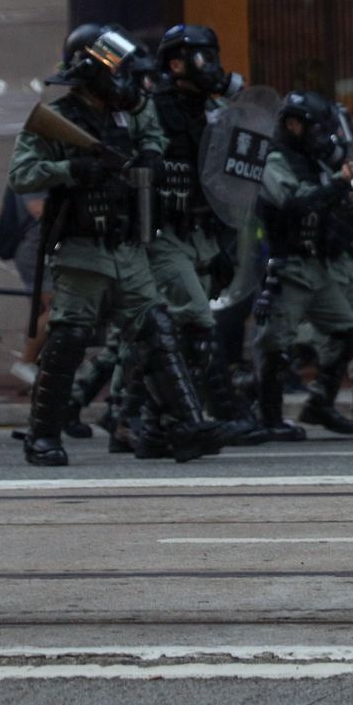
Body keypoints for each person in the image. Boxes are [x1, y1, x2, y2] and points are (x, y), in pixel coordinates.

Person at [11, 25, 218, 466]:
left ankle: (185, 425)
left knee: (156, 328)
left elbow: (154, 139)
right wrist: (72, 169)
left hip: (129, 245)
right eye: (114, 69)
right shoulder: (61, 117)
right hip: (84, 247)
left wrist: (150, 157)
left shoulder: (127, 113)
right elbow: (22, 174)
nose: (125, 80)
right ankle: (43, 436)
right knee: (68, 337)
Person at [146, 25, 260, 445]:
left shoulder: (209, 111)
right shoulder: (155, 109)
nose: (211, 67)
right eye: (201, 58)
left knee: (159, 330)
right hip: (165, 232)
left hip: (202, 232)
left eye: (213, 56)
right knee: (194, 320)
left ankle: (133, 417)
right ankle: (187, 416)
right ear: (175, 64)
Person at [253, 91, 353, 441]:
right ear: (293, 124)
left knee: (348, 331)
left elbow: (322, 207)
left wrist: (342, 200)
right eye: (315, 129)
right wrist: (335, 186)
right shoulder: (275, 160)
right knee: (276, 342)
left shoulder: (313, 161)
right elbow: (293, 203)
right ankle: (269, 415)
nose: (321, 138)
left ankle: (320, 401)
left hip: (318, 265)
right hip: (289, 267)